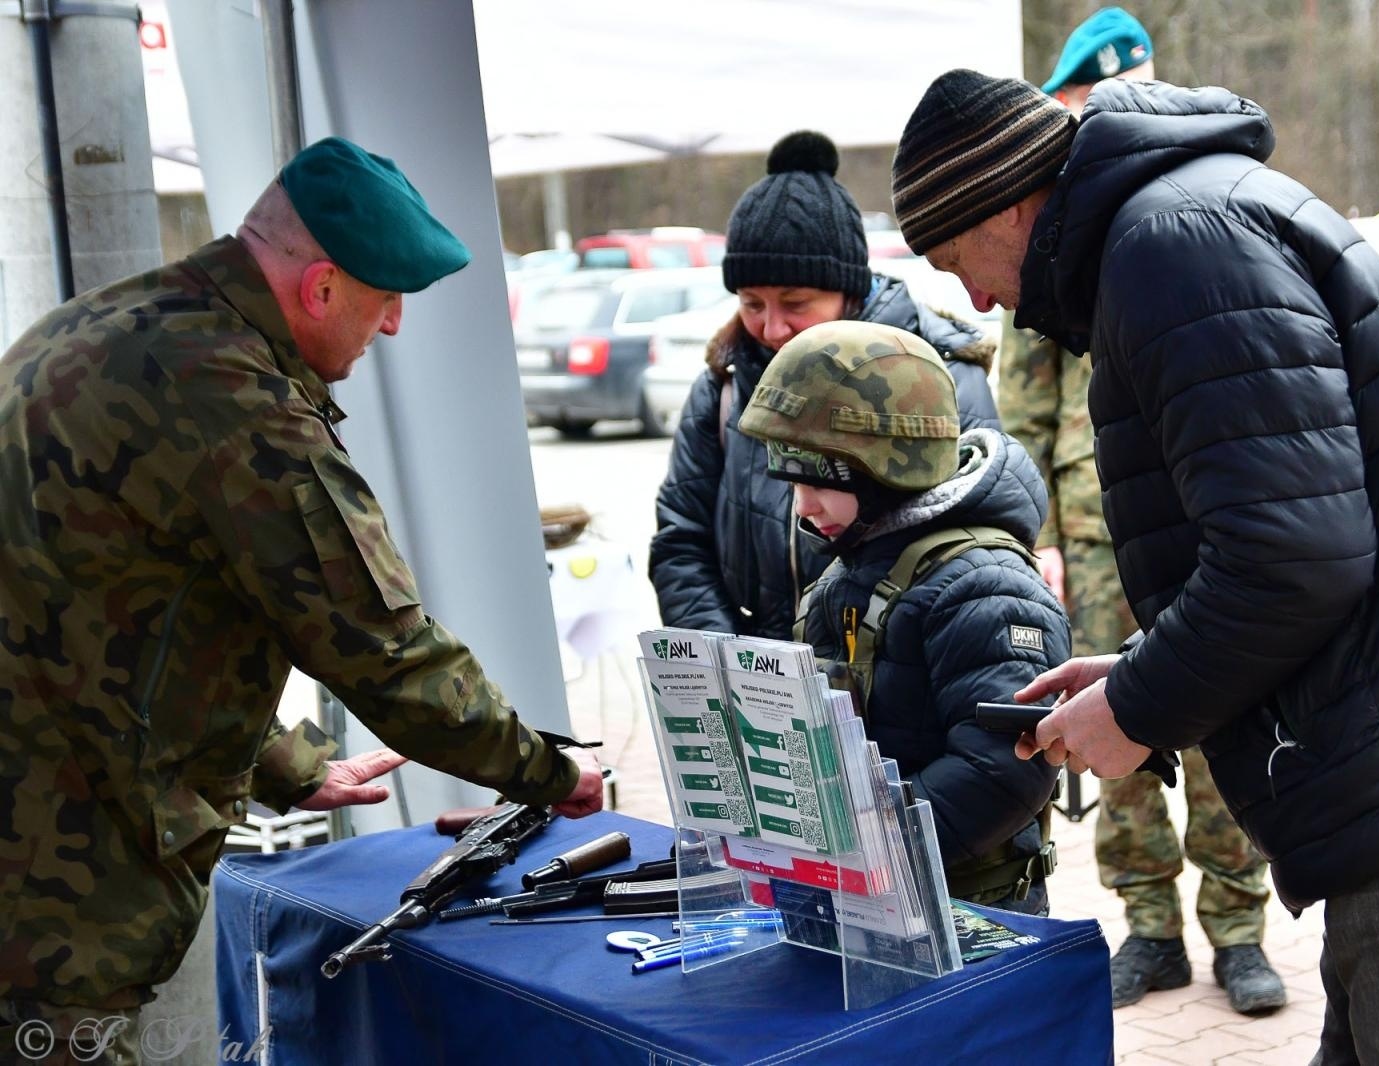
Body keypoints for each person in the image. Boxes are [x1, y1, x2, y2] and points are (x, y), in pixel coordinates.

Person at [891, 69, 1379, 1062]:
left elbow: (1292, 557)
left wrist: (1138, 708)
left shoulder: (1169, 248)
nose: (970, 296)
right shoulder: (1181, 222)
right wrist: (1138, 665)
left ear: (1008, 197)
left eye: (955, 257)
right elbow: (1293, 523)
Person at [0, 137, 603, 1062]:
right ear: (320, 288)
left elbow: (92, 614)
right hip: (58, 869)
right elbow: (383, 648)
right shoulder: (241, 405)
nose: (394, 325)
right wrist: (547, 774)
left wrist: (285, 761)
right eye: (384, 298)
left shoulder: (91, 329)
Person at [998, 6, 1283, 1013]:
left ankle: (1239, 930)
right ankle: (1149, 926)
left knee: (1217, 716)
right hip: (1085, 527)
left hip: (1197, 508)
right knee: (1107, 721)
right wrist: (1031, 534)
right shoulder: (1043, 230)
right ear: (1068, 105)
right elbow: (1020, 409)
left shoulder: (1174, 210)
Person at [738, 319, 1066, 913]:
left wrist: (868, 847)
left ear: (892, 469)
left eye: (822, 483)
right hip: (874, 893)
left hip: (967, 910)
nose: (804, 507)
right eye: (791, 485)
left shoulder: (984, 587)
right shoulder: (858, 562)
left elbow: (1002, 772)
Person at [650, 130, 999, 642]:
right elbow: (681, 540)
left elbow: (976, 553)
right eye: (751, 304)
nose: (771, 329)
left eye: (795, 304)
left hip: (890, 679)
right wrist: (735, 665)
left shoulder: (941, 378)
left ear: (850, 294)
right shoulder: (722, 387)